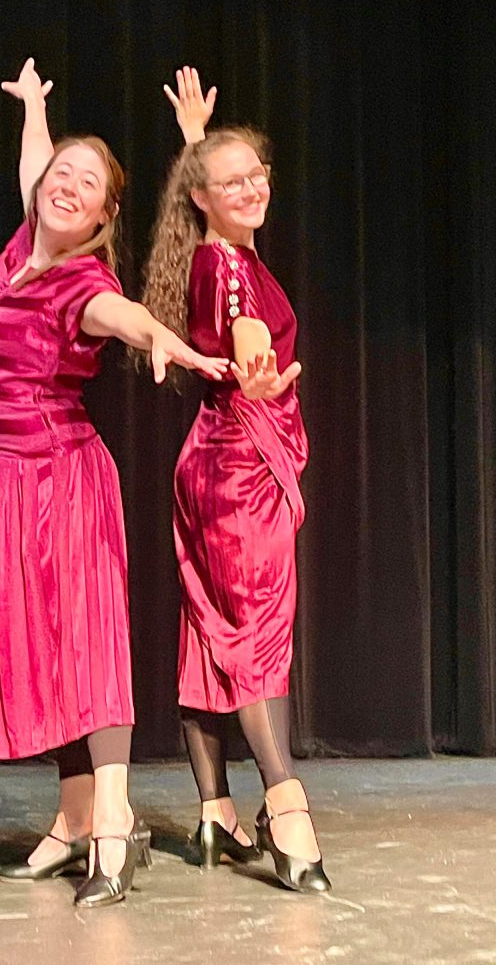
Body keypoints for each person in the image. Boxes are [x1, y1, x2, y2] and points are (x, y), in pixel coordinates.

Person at [0, 59, 228, 909]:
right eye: (63, 174)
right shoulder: (19, 253)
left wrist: (159, 339)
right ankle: (72, 820)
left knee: (85, 648)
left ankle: (111, 818)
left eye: (89, 185)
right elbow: (37, 169)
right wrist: (37, 111)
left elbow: (123, 316)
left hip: (59, 480)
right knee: (36, 656)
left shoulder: (83, 280)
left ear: (106, 216)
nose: (67, 186)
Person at [141, 67, 331, 893]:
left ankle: (216, 816)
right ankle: (286, 811)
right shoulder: (226, 270)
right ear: (204, 200)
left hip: (215, 463)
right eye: (233, 181)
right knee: (257, 640)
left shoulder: (219, 250)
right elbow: (248, 332)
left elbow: (213, 225)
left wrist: (198, 147)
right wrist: (256, 371)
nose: (253, 187)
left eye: (258, 173)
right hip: (239, 468)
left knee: (213, 637)